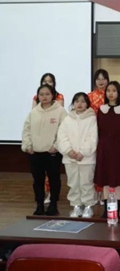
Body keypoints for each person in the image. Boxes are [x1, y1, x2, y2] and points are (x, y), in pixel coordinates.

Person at [22, 84, 68, 216]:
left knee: (54, 179)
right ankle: (39, 205)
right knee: (38, 181)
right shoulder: (33, 112)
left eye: (47, 94)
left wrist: (56, 146)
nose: (44, 97)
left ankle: (53, 205)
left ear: (53, 95)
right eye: (41, 94)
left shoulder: (60, 111)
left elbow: (64, 131)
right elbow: (26, 130)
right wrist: (28, 145)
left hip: (52, 152)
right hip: (35, 152)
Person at [56, 92, 98, 218]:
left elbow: (93, 138)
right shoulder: (67, 119)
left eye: (83, 101)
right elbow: (61, 136)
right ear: (73, 103)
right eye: (77, 101)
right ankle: (76, 206)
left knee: (86, 183)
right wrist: (69, 151)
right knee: (73, 183)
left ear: (87, 104)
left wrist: (83, 152)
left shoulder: (92, 119)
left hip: (86, 159)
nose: (80, 104)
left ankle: (88, 206)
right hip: (70, 158)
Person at [95, 81, 120, 218]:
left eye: (114, 91)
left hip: (119, 147)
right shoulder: (101, 110)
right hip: (104, 147)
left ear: (119, 93)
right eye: (108, 90)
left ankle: (118, 207)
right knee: (105, 177)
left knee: (118, 177)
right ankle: (107, 207)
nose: (111, 93)